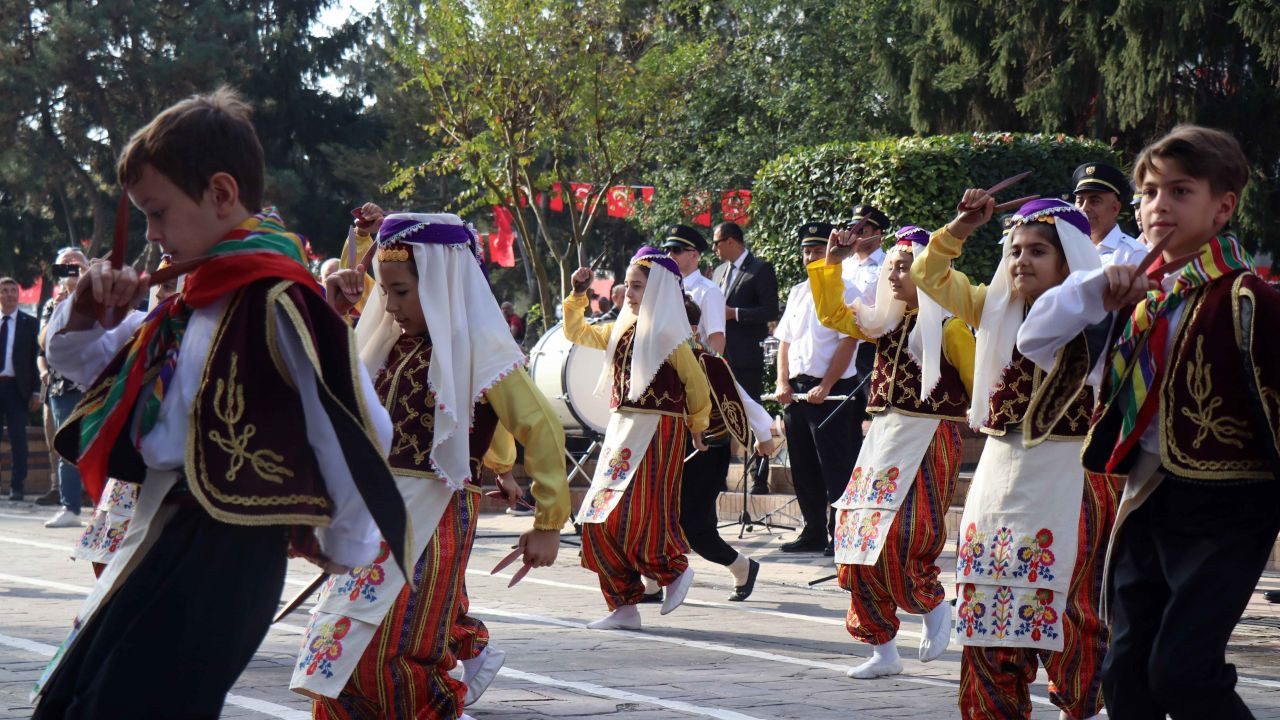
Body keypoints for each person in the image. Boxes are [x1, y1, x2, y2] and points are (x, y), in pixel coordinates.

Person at [31, 88, 410, 720]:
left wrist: (343, 539)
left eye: (157, 213)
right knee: (75, 702)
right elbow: (76, 363)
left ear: (222, 194)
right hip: (162, 529)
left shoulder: (279, 300)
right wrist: (89, 311)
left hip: (230, 549)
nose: (151, 235)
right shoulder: (188, 299)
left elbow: (356, 423)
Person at [1019, 125, 1279, 720]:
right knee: (1125, 677)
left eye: (1180, 191)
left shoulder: (1249, 300)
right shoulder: (1135, 295)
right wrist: (1094, 295)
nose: (1158, 206)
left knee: (1183, 671)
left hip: (1230, 508)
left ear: (1223, 206)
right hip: (1146, 498)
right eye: (1148, 193)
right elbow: (1034, 338)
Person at [293, 212, 569, 720]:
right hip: (372, 515)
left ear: (441, 284)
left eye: (400, 292)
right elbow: (330, 398)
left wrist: (548, 522)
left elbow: (541, 427)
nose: (389, 305)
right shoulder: (386, 343)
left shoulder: (480, 352)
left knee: (395, 648)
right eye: (386, 292)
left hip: (436, 514)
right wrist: (332, 310)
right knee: (341, 646)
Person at [911, 196, 1109, 720]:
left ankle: (1079, 706)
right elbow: (928, 275)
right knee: (989, 604)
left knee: (1069, 603)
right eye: (1016, 249)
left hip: (1069, 476)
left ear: (1067, 260)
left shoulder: (1098, 319)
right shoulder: (993, 305)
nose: (1021, 260)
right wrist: (959, 226)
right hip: (998, 478)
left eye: (1038, 251)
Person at [812, 225, 975, 679]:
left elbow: (985, 387)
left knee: (904, 536)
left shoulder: (952, 327)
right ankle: (882, 649)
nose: (895, 276)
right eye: (893, 267)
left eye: (905, 268)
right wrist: (831, 263)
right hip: (882, 441)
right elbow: (833, 315)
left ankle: (932, 604)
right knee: (856, 540)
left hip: (928, 439)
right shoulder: (884, 322)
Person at [563, 248, 711, 630]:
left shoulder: (667, 333)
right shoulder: (620, 330)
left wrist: (698, 425)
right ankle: (624, 605)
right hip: (622, 430)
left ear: (659, 289)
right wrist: (578, 292)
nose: (628, 292)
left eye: (638, 286)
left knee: (635, 515)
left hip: (658, 429)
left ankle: (673, 571)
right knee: (596, 518)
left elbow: (696, 384)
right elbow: (577, 332)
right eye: (628, 285)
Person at [73, 258, 182, 577]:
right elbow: (70, 350)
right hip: (131, 464)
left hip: (173, 469)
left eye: (170, 287)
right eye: (160, 286)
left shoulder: (206, 332)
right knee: (108, 561)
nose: (161, 294)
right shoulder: (141, 329)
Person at [772, 222, 861, 554]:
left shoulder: (846, 289)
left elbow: (848, 343)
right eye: (806, 251)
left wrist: (826, 384)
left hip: (833, 391)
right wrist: (783, 382)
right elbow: (785, 343)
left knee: (836, 466)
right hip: (797, 391)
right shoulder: (797, 291)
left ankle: (840, 533)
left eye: (816, 250)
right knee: (803, 465)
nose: (810, 256)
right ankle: (812, 530)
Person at [681, 295, 775, 601]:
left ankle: (741, 567)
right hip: (677, 449)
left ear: (692, 327)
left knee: (696, 528)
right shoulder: (665, 354)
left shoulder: (706, 358)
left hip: (708, 450)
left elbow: (741, 398)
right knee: (664, 518)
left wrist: (763, 434)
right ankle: (655, 581)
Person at [711, 221, 778, 403]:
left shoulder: (760, 269)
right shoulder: (718, 272)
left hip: (745, 356)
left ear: (731, 241)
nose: (714, 248)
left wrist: (736, 313)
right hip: (718, 355)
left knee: (747, 409)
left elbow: (771, 311)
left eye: (717, 243)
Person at [0, 276, 40, 501]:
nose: (9, 295)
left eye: (13, 291)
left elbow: (36, 359)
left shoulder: (30, 323)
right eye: (4, 291)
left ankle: (17, 486)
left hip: (17, 388)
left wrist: (36, 391)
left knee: (18, 438)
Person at [664, 224, 726, 355]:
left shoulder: (709, 291)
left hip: (695, 369)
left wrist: (710, 373)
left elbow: (716, 340)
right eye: (667, 249)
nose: (670, 254)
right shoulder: (666, 287)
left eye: (676, 249)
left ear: (694, 255)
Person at [1071, 162, 1146, 265]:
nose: (1084, 208)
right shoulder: (1069, 250)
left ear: (1115, 208)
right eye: (1080, 201)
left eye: (1095, 201)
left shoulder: (1134, 254)